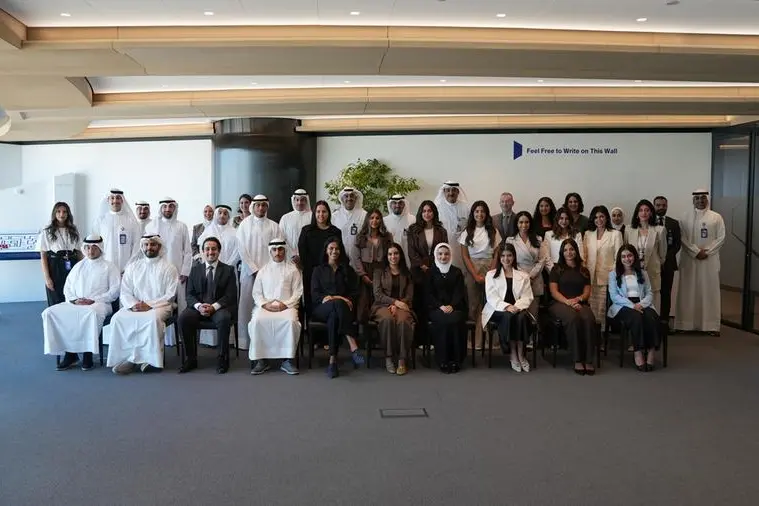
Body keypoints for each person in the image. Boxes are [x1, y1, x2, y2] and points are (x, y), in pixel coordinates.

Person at [41, 234, 120, 371]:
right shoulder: (79, 266)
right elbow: (68, 288)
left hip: (100, 303)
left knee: (89, 314)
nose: (90, 251)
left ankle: (87, 354)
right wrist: (75, 300)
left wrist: (94, 300)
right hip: (76, 302)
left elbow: (115, 290)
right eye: (87, 247)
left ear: (100, 248)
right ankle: (70, 354)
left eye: (94, 247)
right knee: (50, 313)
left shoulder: (109, 267)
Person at [107, 235, 179, 375]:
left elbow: (170, 295)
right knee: (118, 318)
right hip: (136, 306)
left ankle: (150, 361)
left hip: (161, 306)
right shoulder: (133, 267)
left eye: (153, 244)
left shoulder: (169, 268)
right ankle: (128, 359)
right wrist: (133, 305)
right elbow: (125, 291)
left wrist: (149, 305)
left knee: (151, 319)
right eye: (146, 244)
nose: (149, 247)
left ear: (159, 246)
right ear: (142, 246)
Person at [177, 236, 237, 374]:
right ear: (203, 251)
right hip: (198, 308)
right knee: (183, 318)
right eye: (207, 249)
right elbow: (189, 295)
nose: (210, 252)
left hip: (219, 308)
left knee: (224, 319)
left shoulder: (228, 270)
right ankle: (190, 359)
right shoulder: (195, 270)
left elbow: (230, 295)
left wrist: (213, 307)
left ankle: (222, 359)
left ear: (219, 251)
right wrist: (199, 306)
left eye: (214, 249)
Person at [310, 237, 364, 378]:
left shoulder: (347, 270)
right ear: (326, 251)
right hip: (321, 308)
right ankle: (352, 343)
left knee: (334, 316)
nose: (334, 251)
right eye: (331, 248)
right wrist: (338, 298)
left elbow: (354, 293)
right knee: (338, 304)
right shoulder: (318, 270)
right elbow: (315, 294)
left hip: (341, 310)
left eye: (337, 249)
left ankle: (332, 361)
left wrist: (340, 299)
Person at [249, 239, 303, 376]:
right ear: (270, 251)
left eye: (280, 249)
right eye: (274, 249)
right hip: (266, 307)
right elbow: (256, 293)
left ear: (285, 250)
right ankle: (261, 360)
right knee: (256, 321)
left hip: (287, 306)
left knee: (290, 322)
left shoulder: (293, 270)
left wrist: (286, 304)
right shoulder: (263, 271)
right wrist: (265, 304)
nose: (277, 252)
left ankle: (288, 360)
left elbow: (298, 292)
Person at [675, 189, 726, 334]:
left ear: (707, 200)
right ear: (693, 201)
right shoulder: (684, 217)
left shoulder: (716, 217)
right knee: (688, 292)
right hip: (689, 260)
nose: (700, 201)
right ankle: (685, 325)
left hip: (709, 261)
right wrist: (695, 251)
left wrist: (707, 252)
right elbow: (682, 238)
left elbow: (721, 237)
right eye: (697, 198)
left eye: (703, 198)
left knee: (709, 292)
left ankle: (710, 326)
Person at [145, 198, 192, 347]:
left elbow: (188, 251)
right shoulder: (152, 226)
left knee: (180, 304)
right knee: (160, 303)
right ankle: (162, 338)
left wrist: (185, 271)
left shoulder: (181, 226)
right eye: (164, 206)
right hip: (157, 273)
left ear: (174, 208)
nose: (167, 209)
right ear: (161, 208)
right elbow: (147, 250)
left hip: (178, 273)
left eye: (171, 206)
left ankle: (181, 337)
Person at [548, 238, 597, 375]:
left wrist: (578, 299)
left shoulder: (584, 270)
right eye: (565, 250)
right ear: (562, 252)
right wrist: (568, 302)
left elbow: (587, 291)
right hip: (560, 303)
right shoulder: (556, 269)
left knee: (588, 318)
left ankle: (588, 359)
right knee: (573, 318)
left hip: (579, 302)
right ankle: (577, 359)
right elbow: (554, 292)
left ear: (576, 251)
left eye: (571, 249)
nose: (569, 252)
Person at [236, 195, 280, 350]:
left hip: (270, 274)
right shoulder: (244, 225)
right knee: (247, 306)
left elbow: (278, 249)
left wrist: (267, 271)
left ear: (267, 207)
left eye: (263, 205)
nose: (261, 208)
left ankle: (267, 342)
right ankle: (245, 342)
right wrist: (254, 270)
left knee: (268, 306)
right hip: (249, 274)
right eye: (258, 205)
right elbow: (242, 249)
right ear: (253, 207)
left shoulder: (274, 226)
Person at [483, 243, 534, 372]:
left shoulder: (523, 275)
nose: (506, 259)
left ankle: (521, 354)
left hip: (518, 308)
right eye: (503, 256)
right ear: (499, 258)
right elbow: (491, 297)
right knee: (509, 316)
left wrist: (516, 307)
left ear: (514, 257)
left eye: (509, 255)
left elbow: (527, 296)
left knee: (521, 317)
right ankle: (513, 353)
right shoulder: (491, 275)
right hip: (498, 309)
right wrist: (506, 306)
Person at [608, 245, 660, 371]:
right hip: (623, 305)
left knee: (651, 317)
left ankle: (651, 351)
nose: (627, 259)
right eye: (623, 256)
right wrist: (632, 305)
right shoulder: (613, 274)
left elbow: (649, 293)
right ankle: (638, 351)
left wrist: (641, 304)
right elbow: (614, 296)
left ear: (634, 257)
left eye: (629, 255)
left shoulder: (643, 273)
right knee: (636, 317)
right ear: (620, 258)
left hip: (642, 303)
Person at [196, 204, 241, 347]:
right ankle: (209, 341)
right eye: (220, 213)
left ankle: (228, 340)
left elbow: (238, 252)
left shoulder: (235, 232)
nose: (222, 216)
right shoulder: (208, 231)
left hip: (229, 272)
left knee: (226, 300)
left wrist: (225, 268)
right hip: (210, 271)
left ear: (229, 216)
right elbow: (203, 250)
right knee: (209, 299)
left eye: (225, 213)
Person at [407, 200, 448, 349]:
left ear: (434, 213)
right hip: (418, 273)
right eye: (424, 211)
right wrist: (422, 265)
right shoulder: (413, 230)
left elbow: (444, 249)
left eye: (429, 211)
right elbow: (411, 252)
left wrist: (435, 267)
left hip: (436, 271)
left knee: (434, 305)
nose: (427, 214)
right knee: (419, 305)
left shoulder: (441, 230)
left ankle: (432, 340)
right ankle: (420, 340)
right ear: (420, 213)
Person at [459, 200, 501, 350]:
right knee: (474, 305)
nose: (480, 214)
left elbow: (497, 254)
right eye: (477, 211)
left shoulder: (494, 231)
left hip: (491, 268)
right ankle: (474, 341)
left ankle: (491, 341)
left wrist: (491, 272)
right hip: (472, 268)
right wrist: (475, 275)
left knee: (491, 304)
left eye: (482, 211)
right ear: (473, 213)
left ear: (486, 214)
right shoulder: (466, 232)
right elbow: (465, 256)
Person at [371, 242, 415, 376]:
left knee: (403, 321)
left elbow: (409, 295)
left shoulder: (407, 273)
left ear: (400, 255)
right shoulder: (379, 272)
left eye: (396, 253)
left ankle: (402, 359)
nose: (393, 256)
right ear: (386, 256)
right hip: (382, 305)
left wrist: (399, 304)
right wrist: (394, 302)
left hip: (403, 305)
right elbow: (378, 294)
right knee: (388, 320)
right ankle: (389, 357)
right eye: (390, 254)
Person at [427, 243, 468, 374]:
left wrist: (452, 305)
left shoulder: (457, 272)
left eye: (446, 254)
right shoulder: (430, 272)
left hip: (455, 308)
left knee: (455, 320)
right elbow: (429, 294)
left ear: (450, 255)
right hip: (436, 308)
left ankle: (456, 360)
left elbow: (459, 292)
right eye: (440, 254)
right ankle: (443, 360)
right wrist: (440, 306)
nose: (443, 257)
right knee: (443, 321)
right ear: (436, 255)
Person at [298, 200, 344, 310]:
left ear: (328, 213)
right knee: (310, 302)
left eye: (324, 211)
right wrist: (315, 270)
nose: (321, 214)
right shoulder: (306, 231)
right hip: (310, 272)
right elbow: (303, 252)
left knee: (330, 302)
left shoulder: (336, 231)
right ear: (314, 213)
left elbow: (338, 252)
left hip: (330, 273)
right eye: (318, 212)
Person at [583, 205, 623, 330]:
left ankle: (602, 335)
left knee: (602, 309)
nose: (599, 220)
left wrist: (613, 275)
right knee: (590, 308)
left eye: (601, 216)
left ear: (606, 218)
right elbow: (584, 256)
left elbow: (618, 258)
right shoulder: (588, 234)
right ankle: (591, 333)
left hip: (606, 278)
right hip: (589, 277)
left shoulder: (615, 234)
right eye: (596, 217)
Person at [624, 199, 666, 313]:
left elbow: (662, 255)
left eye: (647, 210)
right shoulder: (629, 229)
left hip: (652, 271)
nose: (644, 213)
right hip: (634, 271)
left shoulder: (660, 230)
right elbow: (625, 252)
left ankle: (653, 322)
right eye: (641, 210)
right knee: (635, 301)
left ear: (651, 213)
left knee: (653, 303)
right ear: (637, 213)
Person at [37, 201, 82, 306]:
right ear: (54, 213)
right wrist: (47, 277)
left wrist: (81, 272)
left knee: (72, 298)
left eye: (64, 212)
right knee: (56, 300)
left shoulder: (73, 230)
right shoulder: (47, 231)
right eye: (58, 211)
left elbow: (80, 252)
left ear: (68, 214)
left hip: (71, 264)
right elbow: (43, 255)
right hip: (55, 267)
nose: (62, 214)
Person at [354, 208, 394, 323]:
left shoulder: (387, 236)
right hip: (365, 271)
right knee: (363, 306)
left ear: (381, 220)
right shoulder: (360, 237)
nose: (374, 221)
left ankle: (380, 330)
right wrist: (363, 275)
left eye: (377, 218)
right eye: (372, 218)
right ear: (367, 220)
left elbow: (391, 255)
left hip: (381, 271)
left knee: (380, 303)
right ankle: (364, 332)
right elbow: (355, 257)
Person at [92, 188, 141, 274]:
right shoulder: (100, 221)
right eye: (112, 198)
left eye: (118, 198)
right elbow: (96, 245)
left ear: (122, 200)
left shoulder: (131, 221)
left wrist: (129, 266)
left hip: (126, 269)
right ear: (108, 200)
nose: (115, 201)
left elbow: (136, 244)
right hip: (105, 268)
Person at [505, 211, 543, 319]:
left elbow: (542, 260)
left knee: (533, 315)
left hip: (535, 277)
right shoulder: (510, 240)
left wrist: (530, 277)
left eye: (526, 222)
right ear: (516, 224)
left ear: (530, 223)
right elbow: (509, 260)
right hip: (518, 277)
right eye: (521, 222)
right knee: (519, 313)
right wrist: (524, 276)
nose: (524, 225)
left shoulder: (538, 239)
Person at [653, 195, 682, 328]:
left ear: (667, 206)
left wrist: (665, 258)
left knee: (666, 293)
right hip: (652, 264)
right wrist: (657, 258)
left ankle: (664, 321)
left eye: (663, 205)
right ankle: (651, 320)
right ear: (654, 206)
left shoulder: (673, 223)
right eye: (658, 205)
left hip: (668, 264)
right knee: (651, 292)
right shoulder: (649, 222)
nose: (661, 207)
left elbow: (677, 244)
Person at [434, 181, 470, 269]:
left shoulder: (465, 207)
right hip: (443, 247)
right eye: (448, 190)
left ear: (458, 192)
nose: (451, 193)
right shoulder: (437, 208)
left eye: (454, 190)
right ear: (444, 192)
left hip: (461, 248)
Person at [331, 187, 367, 270]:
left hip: (359, 259)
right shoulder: (335, 216)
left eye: (352, 196)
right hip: (339, 258)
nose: (349, 198)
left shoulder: (364, 215)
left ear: (356, 198)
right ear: (342, 199)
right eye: (346, 196)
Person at [541, 207, 584, 271]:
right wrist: (554, 271)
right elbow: (546, 256)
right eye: (561, 218)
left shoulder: (577, 235)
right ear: (557, 219)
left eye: (567, 219)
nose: (564, 221)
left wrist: (574, 270)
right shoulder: (549, 234)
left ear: (570, 220)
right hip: (554, 269)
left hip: (573, 269)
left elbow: (581, 254)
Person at [279, 189, 312, 266]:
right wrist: (293, 255)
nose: (299, 203)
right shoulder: (285, 218)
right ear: (293, 201)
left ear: (306, 201)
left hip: (308, 258)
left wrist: (301, 256)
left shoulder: (312, 217)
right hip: (289, 258)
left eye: (302, 200)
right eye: (297, 200)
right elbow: (281, 238)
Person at [383, 194, 416, 265]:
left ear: (404, 204)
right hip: (391, 257)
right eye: (394, 203)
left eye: (400, 203)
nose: (397, 205)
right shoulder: (384, 221)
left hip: (407, 256)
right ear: (390, 205)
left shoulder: (412, 219)